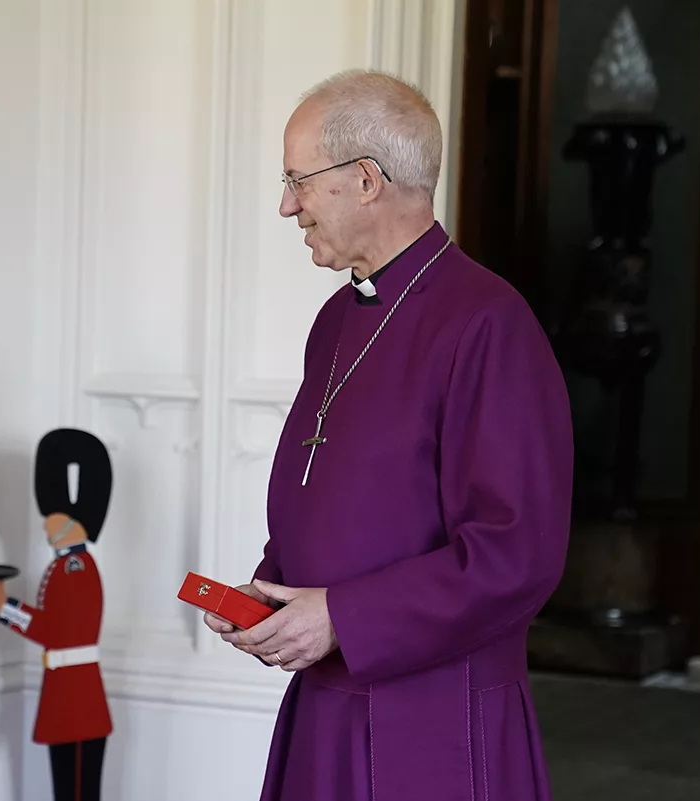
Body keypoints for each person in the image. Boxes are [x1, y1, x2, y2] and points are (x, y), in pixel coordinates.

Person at [203, 70, 573, 801]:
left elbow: (516, 551)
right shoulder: (336, 320)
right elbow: (348, 495)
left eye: (297, 180)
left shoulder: (489, 323)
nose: (286, 205)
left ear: (366, 179)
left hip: (435, 718)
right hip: (325, 704)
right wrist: (279, 602)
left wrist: (341, 616)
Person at [0, 428, 114, 801]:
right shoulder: (66, 565)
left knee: (77, 790)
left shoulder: (76, 567)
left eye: (54, 517)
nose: (46, 524)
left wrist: (5, 605)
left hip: (77, 696)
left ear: (75, 524)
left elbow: (56, 631)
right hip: (66, 691)